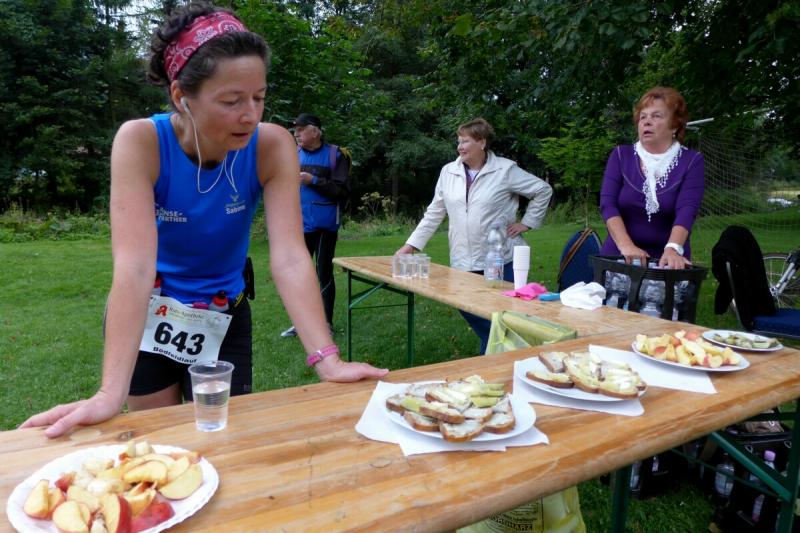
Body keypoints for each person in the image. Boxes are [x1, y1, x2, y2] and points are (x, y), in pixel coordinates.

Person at [21, 1, 387, 439]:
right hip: (151, 313)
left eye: (259, 97)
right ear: (181, 96)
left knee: (222, 441)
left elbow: (291, 258)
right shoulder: (141, 142)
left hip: (223, 312)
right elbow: (134, 267)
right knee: (156, 442)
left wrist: (328, 359)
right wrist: (109, 393)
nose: (251, 114)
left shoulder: (271, 147)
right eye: (231, 101)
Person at [396, 118, 553, 354]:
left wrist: (527, 223)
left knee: (502, 314)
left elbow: (542, 190)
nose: (459, 147)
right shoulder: (448, 172)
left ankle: (497, 358)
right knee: (478, 315)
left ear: (482, 143)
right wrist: (411, 246)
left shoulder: (505, 170)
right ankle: (509, 350)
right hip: (463, 260)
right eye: (458, 141)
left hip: (500, 259)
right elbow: (434, 213)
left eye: (465, 141)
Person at [599, 86, 705, 269]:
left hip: (668, 262)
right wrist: (626, 246)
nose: (647, 122)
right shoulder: (620, 155)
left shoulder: (692, 160)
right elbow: (607, 204)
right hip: (619, 256)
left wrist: (672, 249)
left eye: (656, 116)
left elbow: (687, 209)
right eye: (643, 117)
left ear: (675, 125)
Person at [280, 113, 349, 338]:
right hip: (299, 225)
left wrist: (314, 180)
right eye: (295, 130)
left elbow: (341, 190)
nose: (296, 134)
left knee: (323, 272)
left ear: (316, 131)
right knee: (299, 274)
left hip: (325, 226)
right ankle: (301, 323)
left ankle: (326, 324)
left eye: (301, 129)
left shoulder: (336, 155)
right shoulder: (293, 154)